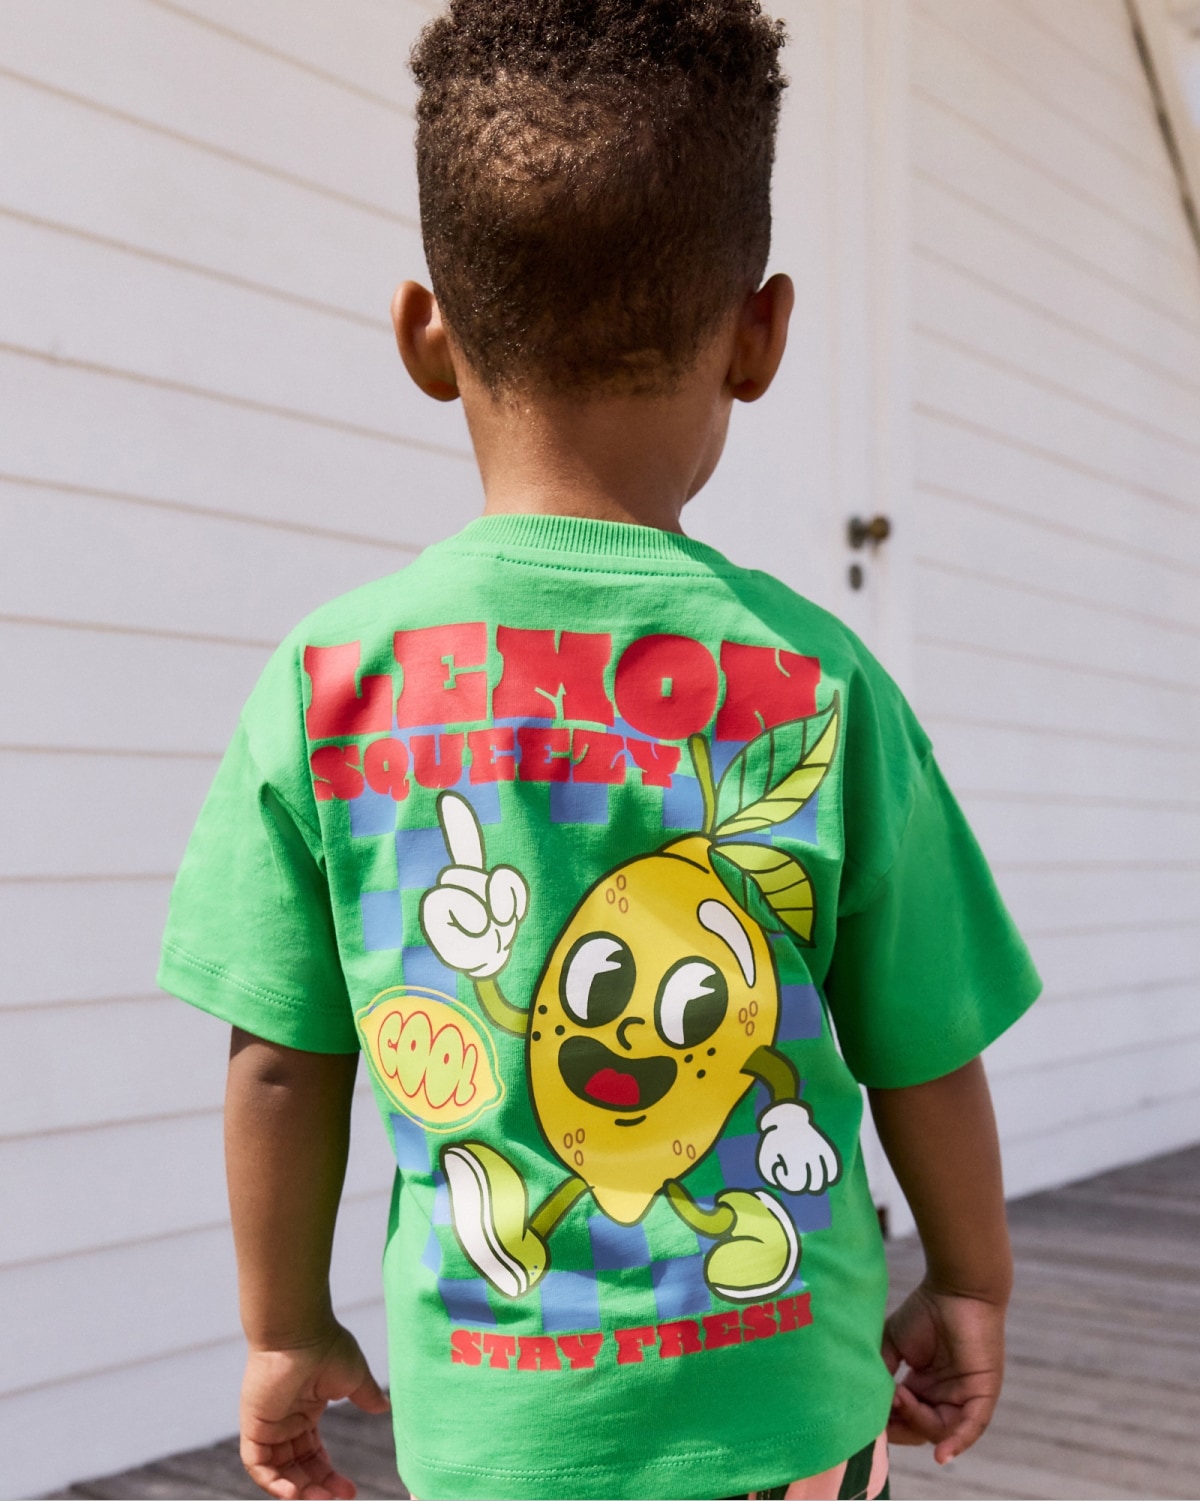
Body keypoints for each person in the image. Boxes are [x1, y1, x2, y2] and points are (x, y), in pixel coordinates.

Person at [159, 3, 1041, 1498]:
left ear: (426, 336)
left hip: (500, 1437)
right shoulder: (819, 684)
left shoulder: (327, 686)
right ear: (759, 335)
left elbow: (282, 1069)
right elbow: (927, 1041)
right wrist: (972, 1280)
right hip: (784, 1420)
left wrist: (283, 1325)